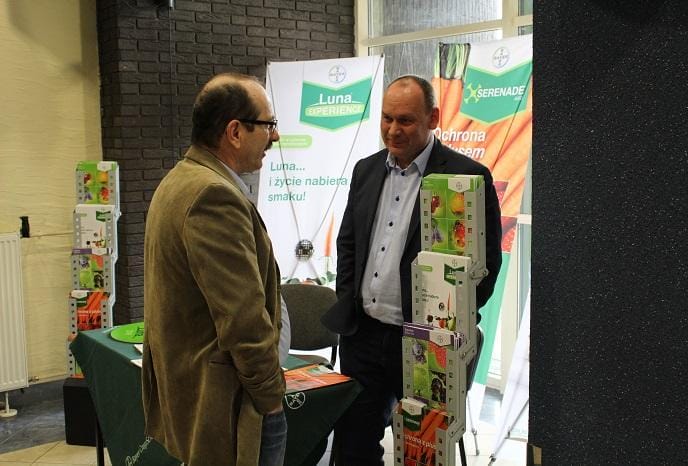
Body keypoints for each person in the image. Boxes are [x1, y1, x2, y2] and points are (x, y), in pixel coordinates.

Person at [322, 75, 502, 465]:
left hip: (425, 343)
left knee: (424, 453)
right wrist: (347, 297)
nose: (392, 130)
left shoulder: (466, 177)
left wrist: (449, 321)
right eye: (386, 118)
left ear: (432, 118)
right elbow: (349, 243)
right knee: (353, 448)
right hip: (363, 337)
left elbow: (486, 267)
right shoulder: (366, 170)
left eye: (405, 120)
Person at [142, 73, 289, 466]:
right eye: (268, 125)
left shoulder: (181, 179)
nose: (275, 136)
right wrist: (270, 397)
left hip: (196, 395)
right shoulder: (214, 196)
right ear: (235, 132)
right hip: (228, 408)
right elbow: (243, 319)